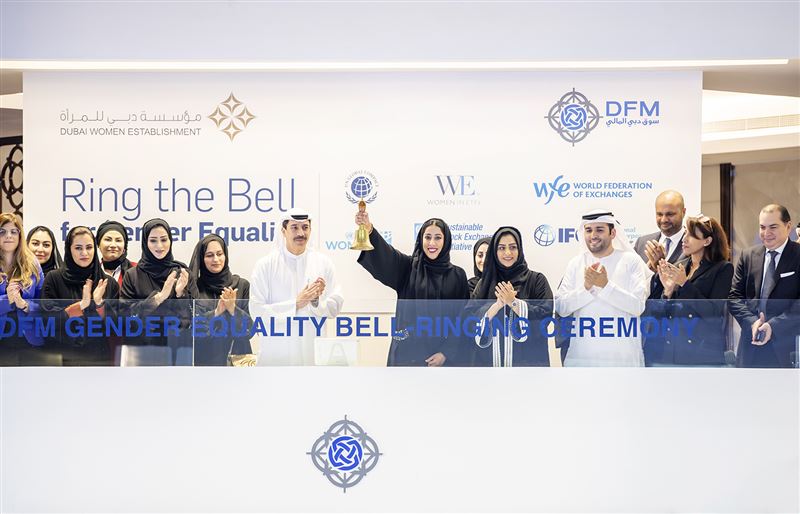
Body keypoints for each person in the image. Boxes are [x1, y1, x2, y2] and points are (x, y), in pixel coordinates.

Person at [356, 210, 468, 366]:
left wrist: (445, 353)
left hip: (442, 360)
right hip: (407, 356)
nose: (432, 243)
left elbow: (462, 319)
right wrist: (370, 230)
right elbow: (387, 256)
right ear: (420, 239)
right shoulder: (408, 268)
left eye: (438, 237)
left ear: (446, 240)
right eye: (427, 237)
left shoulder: (457, 275)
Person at [555, 209, 649, 367]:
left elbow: (638, 306)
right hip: (582, 357)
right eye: (588, 230)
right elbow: (561, 308)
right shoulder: (575, 263)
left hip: (622, 359)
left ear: (613, 233)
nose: (593, 235)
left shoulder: (631, 261)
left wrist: (605, 286)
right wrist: (586, 288)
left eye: (599, 230)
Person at [250, 209, 343, 366]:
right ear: (283, 231)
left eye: (305, 227)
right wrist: (295, 304)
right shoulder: (265, 265)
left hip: (312, 354)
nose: (301, 233)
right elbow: (256, 311)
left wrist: (315, 302)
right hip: (276, 357)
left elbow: (335, 305)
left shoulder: (323, 263)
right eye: (294, 227)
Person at [644, 215, 734, 366]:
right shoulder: (679, 265)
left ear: (707, 241)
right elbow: (661, 312)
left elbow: (713, 311)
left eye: (691, 235)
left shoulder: (722, 268)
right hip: (671, 350)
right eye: (685, 233)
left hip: (702, 352)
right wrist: (667, 292)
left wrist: (684, 284)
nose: (684, 239)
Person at [729, 204, 800, 368]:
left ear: (788, 226)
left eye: (773, 227)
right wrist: (753, 322)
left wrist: (773, 326)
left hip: (787, 348)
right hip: (750, 346)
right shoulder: (748, 256)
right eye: (762, 227)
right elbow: (734, 298)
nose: (766, 233)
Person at [470, 227, 553, 367]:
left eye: (513, 247)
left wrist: (513, 302)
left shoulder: (536, 280)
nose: (508, 253)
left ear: (520, 250)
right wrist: (496, 307)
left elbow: (546, 316)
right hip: (489, 368)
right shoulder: (484, 283)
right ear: (494, 252)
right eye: (501, 248)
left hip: (528, 367)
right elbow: (470, 318)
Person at [41, 226, 119, 366]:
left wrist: (99, 304)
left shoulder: (108, 283)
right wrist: (81, 306)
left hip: (99, 359)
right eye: (78, 248)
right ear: (69, 249)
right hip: (62, 358)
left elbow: (115, 327)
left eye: (89, 247)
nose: (84, 253)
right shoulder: (54, 279)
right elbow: (46, 322)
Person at [120, 218, 194, 357]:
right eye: (153, 240)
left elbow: (194, 319)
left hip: (176, 350)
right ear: (145, 242)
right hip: (141, 350)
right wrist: (158, 298)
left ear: (170, 241)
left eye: (164, 239)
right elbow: (125, 317)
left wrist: (180, 295)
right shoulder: (133, 275)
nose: (159, 246)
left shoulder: (183, 273)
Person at [189, 234, 253, 365]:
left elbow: (250, 331)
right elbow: (192, 332)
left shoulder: (241, 285)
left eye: (219, 254)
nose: (216, 259)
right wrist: (216, 313)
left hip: (237, 363)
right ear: (201, 259)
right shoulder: (194, 288)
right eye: (209, 255)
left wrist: (233, 309)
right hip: (204, 363)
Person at [0, 213, 45, 365]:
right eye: (2, 231)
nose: (8, 236)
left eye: (13, 231)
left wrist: (25, 305)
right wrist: (8, 300)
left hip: (29, 339)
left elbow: (44, 304)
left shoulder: (32, 264)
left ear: (20, 235)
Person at [634, 190, 687, 274]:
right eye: (659, 214)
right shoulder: (642, 243)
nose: (664, 220)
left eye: (670, 214)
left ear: (683, 212)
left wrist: (660, 265)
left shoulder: (695, 245)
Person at [96, 220, 137, 289]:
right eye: (108, 240)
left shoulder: (137, 270)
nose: (113, 245)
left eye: (118, 240)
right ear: (98, 244)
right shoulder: (92, 272)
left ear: (124, 247)